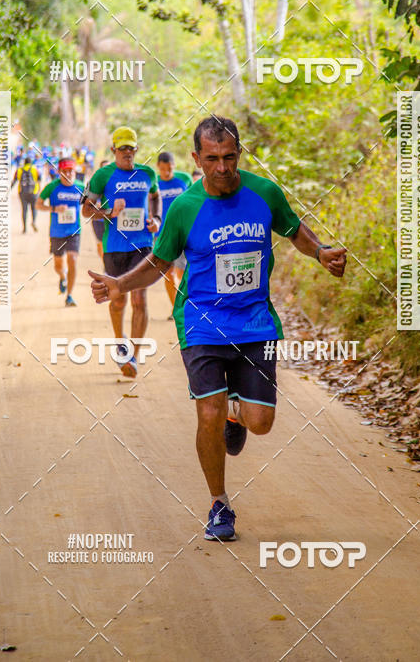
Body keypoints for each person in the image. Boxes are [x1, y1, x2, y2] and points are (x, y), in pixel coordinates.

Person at [89, 115, 346, 541]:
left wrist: (320, 253)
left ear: (239, 154)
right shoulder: (185, 208)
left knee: (260, 422)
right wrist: (119, 282)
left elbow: (294, 229)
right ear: (197, 158)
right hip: (203, 325)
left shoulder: (264, 193)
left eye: (229, 157)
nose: (222, 167)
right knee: (206, 411)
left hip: (256, 325)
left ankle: (236, 413)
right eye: (212, 159)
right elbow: (159, 262)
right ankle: (219, 504)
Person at [82, 127, 161, 377]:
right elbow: (86, 210)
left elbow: (155, 196)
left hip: (142, 245)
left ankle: (133, 357)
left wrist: (157, 218)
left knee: (139, 299)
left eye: (131, 148)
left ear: (136, 150)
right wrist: (109, 213)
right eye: (122, 148)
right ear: (114, 150)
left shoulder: (147, 173)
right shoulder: (102, 176)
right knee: (118, 299)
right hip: (114, 247)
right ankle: (120, 341)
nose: (127, 152)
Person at [37, 157, 84, 307]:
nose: (68, 174)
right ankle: (62, 276)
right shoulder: (52, 187)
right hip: (56, 232)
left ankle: (69, 296)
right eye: (65, 171)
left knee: (73, 261)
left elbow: (91, 203)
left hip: (74, 231)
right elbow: (38, 204)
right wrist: (54, 209)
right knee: (58, 265)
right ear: (59, 172)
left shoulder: (81, 187)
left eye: (71, 171)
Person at [156, 151, 191, 315]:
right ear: (158, 168)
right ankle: (176, 309)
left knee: (183, 273)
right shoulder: (154, 184)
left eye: (169, 168)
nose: (166, 172)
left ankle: (185, 305)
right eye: (163, 169)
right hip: (162, 236)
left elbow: (194, 199)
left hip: (184, 234)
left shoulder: (184, 179)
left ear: (174, 166)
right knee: (168, 274)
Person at [11, 155, 40, 233]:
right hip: (34, 192)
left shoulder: (19, 169)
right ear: (31, 162)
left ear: (24, 162)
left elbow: (14, 181)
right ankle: (33, 221)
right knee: (34, 208)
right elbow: (39, 179)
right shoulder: (35, 169)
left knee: (24, 210)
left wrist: (9, 189)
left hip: (22, 192)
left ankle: (24, 228)